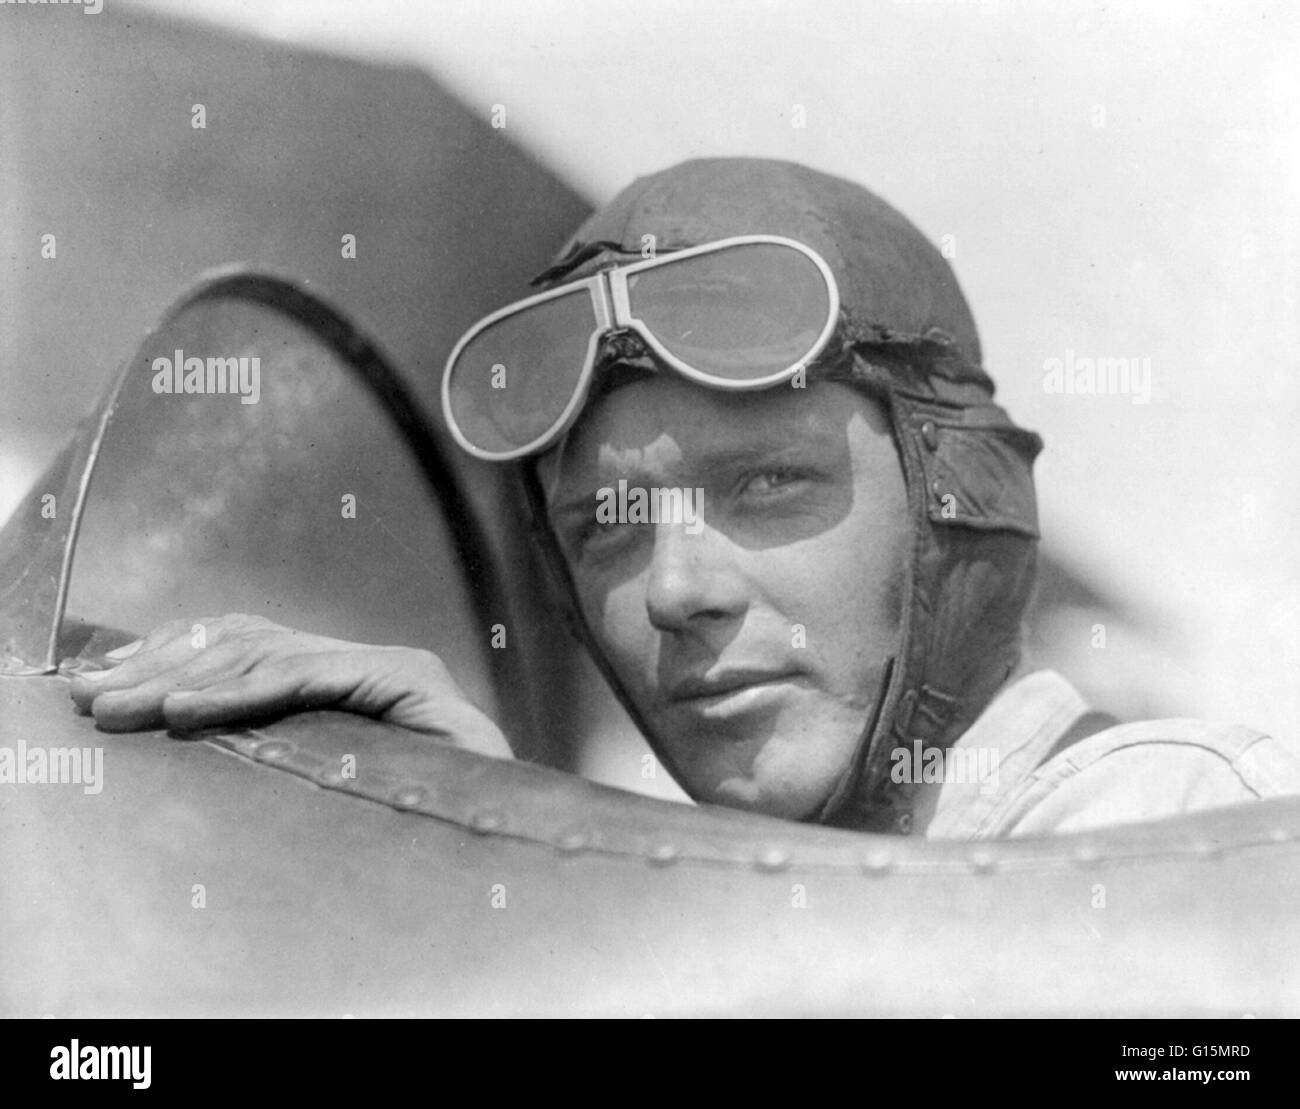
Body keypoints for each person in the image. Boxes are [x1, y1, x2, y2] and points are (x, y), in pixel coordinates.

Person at [68, 157, 1300, 837]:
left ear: (950, 505)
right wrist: (498, 830)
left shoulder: (1166, 825)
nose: (673, 590)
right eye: (603, 526)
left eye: (769, 482)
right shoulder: (733, 868)